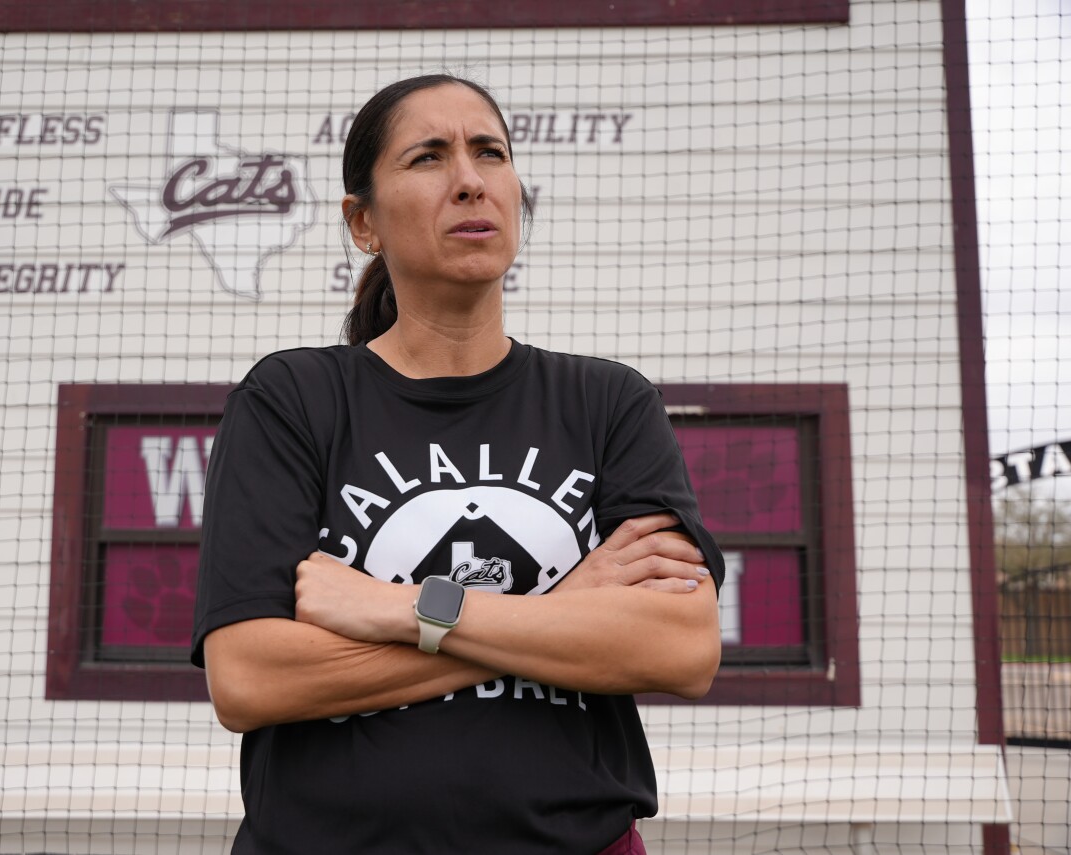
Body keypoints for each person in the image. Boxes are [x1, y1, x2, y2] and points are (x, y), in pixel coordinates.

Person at [191, 74, 724, 855]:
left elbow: (681, 648)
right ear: (363, 222)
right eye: (428, 157)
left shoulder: (608, 401)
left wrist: (407, 609)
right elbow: (249, 680)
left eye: (490, 152)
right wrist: (564, 608)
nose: (470, 180)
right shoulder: (292, 399)